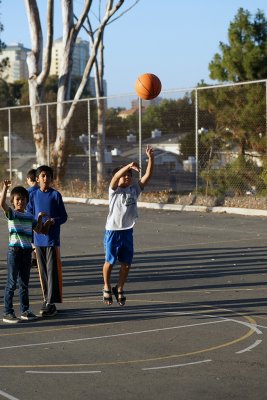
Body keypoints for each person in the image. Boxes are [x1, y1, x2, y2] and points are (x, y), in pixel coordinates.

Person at [102, 145, 154, 306]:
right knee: (110, 261)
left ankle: (120, 287)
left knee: (126, 263)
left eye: (129, 175)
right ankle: (106, 285)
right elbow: (116, 177)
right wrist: (127, 166)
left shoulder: (134, 189)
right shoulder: (114, 190)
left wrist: (151, 159)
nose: (127, 177)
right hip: (113, 230)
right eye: (125, 175)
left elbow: (147, 176)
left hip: (127, 231)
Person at [1, 180, 50, 323]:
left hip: (27, 253)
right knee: (11, 283)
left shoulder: (29, 216)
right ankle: (8, 312)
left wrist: (43, 219)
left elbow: (40, 230)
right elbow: (1, 204)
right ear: (13, 201)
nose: (20, 202)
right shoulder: (12, 214)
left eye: (23, 199)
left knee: (24, 284)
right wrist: (5, 188)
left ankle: (25, 310)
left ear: (27, 201)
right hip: (14, 252)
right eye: (18, 199)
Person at [26, 165, 68, 317]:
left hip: (52, 240)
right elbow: (29, 215)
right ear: (37, 179)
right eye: (43, 176)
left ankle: (51, 302)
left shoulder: (56, 195)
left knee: (52, 272)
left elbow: (64, 216)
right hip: (38, 240)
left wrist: (53, 221)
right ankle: (46, 299)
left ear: (51, 179)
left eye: (48, 176)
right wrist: (36, 223)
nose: (46, 178)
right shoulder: (33, 195)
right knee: (42, 272)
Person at [26, 168, 39, 267]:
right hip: (39, 219)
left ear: (29, 179)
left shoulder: (27, 192)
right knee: (36, 239)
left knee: (30, 241)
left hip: (29, 219)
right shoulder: (41, 190)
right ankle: (35, 259)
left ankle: (37, 256)